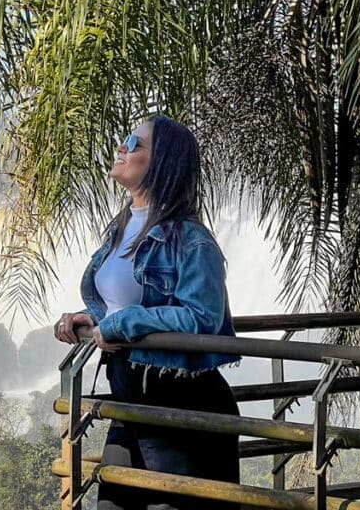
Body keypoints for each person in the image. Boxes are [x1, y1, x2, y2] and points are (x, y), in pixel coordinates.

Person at [54, 114, 240, 510]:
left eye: (134, 142)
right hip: (130, 399)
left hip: (181, 405)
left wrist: (121, 323)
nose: (121, 147)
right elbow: (124, 300)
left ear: (162, 162)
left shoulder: (190, 239)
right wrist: (93, 317)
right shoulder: (121, 227)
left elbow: (202, 318)